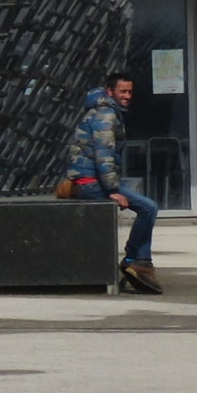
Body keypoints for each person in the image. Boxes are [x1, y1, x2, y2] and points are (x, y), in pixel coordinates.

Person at [64, 72, 162, 294]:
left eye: (130, 92)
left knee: (146, 206)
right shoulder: (106, 115)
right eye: (123, 92)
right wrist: (112, 190)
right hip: (91, 182)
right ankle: (136, 260)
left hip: (92, 179)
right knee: (148, 208)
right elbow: (103, 155)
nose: (127, 96)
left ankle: (138, 260)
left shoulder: (105, 111)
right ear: (110, 92)